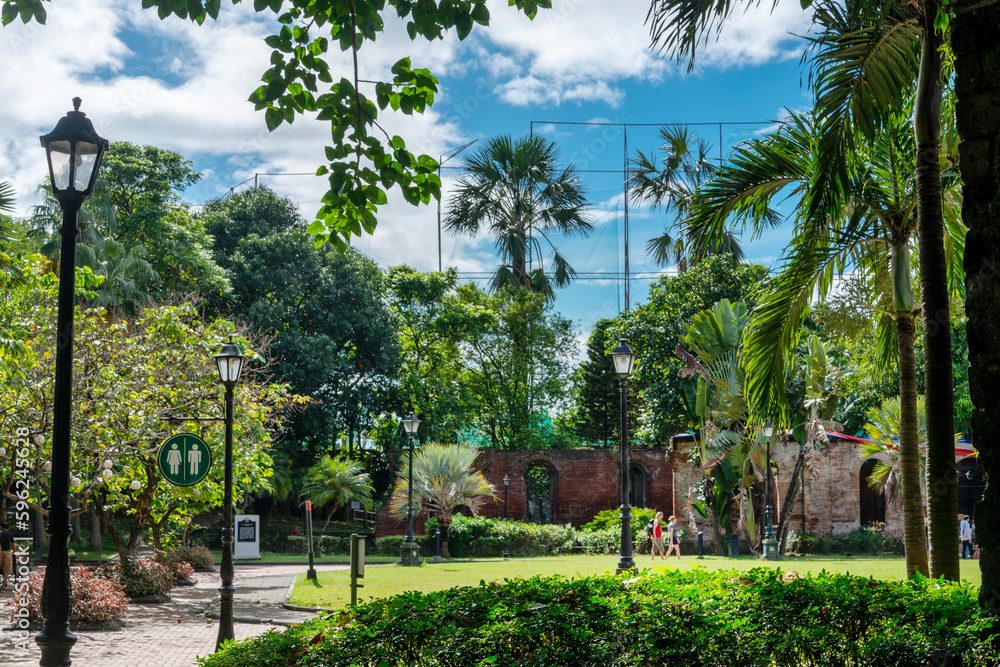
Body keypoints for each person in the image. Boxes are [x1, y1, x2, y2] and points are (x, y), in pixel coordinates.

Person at [0, 520, 13, 592]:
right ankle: (3, 586)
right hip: (7, 552)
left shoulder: (0, 533)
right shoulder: (10, 533)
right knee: (6, 570)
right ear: (9, 527)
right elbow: (13, 544)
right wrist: (14, 551)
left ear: (1, 527)